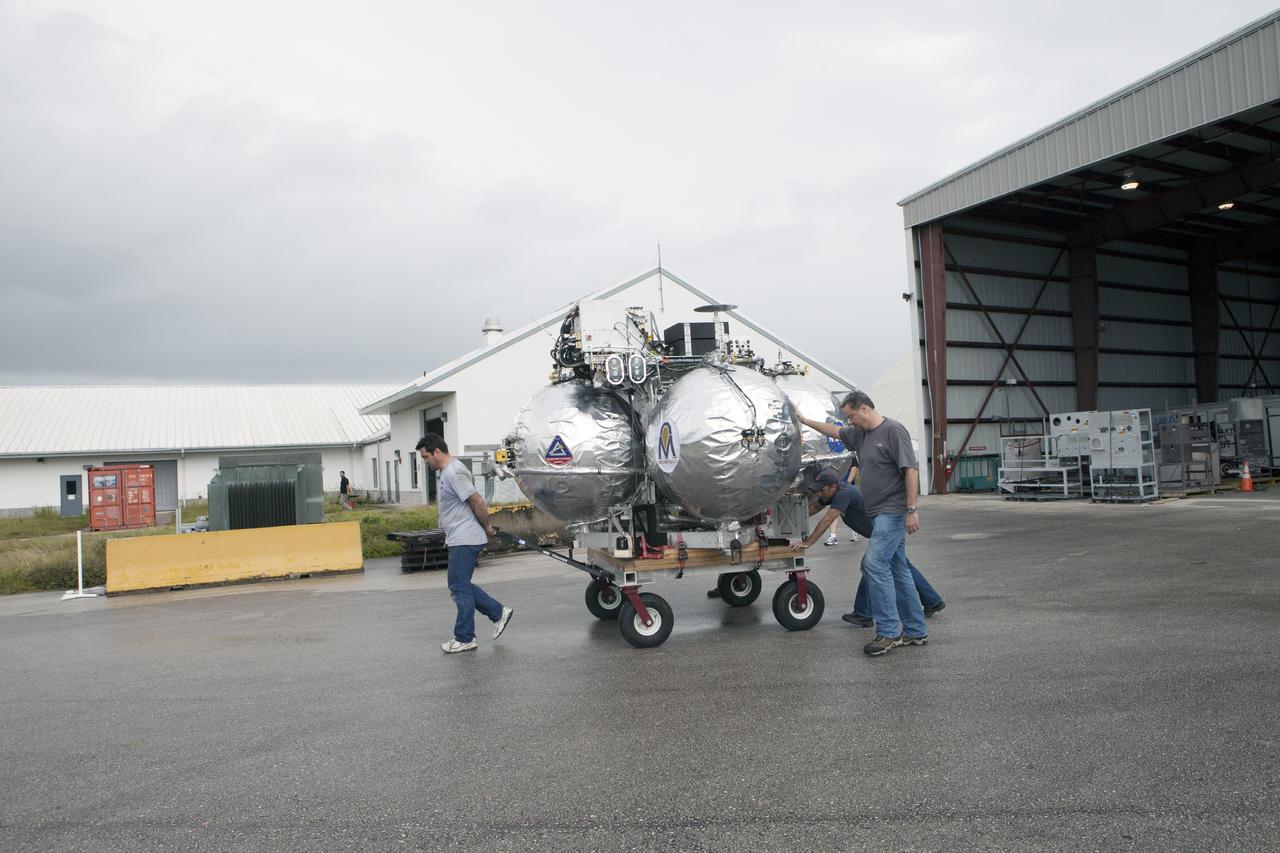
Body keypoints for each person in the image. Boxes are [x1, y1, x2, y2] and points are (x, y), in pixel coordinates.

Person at [796, 391, 927, 657]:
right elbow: (834, 431)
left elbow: (910, 470)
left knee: (873, 564)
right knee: (898, 569)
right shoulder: (860, 435)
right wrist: (805, 420)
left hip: (893, 511)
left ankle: (888, 632)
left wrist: (911, 509)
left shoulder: (893, 431)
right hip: (878, 512)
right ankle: (915, 630)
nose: (850, 422)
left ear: (865, 408)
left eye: (851, 416)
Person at [788, 468, 943, 622]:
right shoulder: (833, 493)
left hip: (886, 531)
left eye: (822, 490)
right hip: (881, 532)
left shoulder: (843, 494)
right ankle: (931, 601)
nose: (820, 494)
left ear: (833, 487)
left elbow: (828, 520)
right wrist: (792, 518)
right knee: (896, 566)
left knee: (874, 566)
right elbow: (815, 507)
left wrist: (807, 543)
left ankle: (864, 613)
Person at [416, 433, 513, 654]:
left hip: (466, 537)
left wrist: (487, 527)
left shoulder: (454, 472)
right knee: (461, 586)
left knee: (459, 587)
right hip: (460, 537)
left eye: (425, 457)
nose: (425, 462)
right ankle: (498, 612)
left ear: (437, 452)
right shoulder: (448, 471)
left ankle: (465, 637)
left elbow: (476, 500)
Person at [823, 463, 861, 546]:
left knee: (851, 513)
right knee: (833, 512)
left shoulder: (849, 452)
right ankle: (833, 536)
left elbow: (854, 469)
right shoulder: (830, 452)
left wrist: (847, 484)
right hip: (835, 488)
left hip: (847, 488)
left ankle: (856, 531)